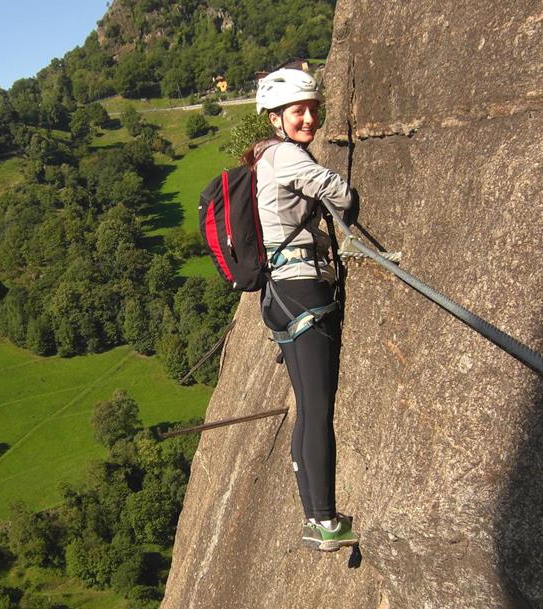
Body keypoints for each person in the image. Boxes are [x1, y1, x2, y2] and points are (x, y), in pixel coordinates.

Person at [245, 67, 359, 552]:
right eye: (298, 111)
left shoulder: (262, 157)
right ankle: (327, 521)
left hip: (279, 296)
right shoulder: (288, 156)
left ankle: (314, 516)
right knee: (317, 408)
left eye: (313, 109)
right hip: (304, 291)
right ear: (275, 117)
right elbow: (342, 195)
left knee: (307, 409)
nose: (309, 118)